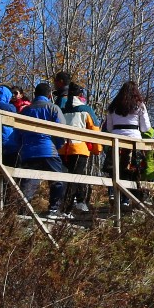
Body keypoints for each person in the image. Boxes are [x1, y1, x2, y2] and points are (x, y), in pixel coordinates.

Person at [16, 81, 61, 213]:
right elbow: (62, 131)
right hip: (48, 150)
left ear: (35, 94)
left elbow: (18, 131)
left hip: (28, 151)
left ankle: (21, 211)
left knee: (28, 182)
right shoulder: (53, 108)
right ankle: (54, 209)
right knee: (58, 180)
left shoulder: (25, 110)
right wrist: (57, 146)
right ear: (49, 95)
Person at [57, 82, 99, 213]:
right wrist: (97, 149)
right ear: (80, 95)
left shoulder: (61, 110)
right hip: (79, 148)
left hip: (63, 148)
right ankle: (67, 209)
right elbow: (95, 129)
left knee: (67, 178)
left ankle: (74, 204)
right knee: (75, 178)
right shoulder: (85, 110)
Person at [103, 80, 152, 182]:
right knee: (134, 173)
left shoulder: (113, 106)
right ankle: (129, 197)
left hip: (116, 141)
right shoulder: (140, 105)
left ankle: (115, 195)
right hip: (134, 142)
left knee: (115, 172)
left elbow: (109, 128)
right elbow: (145, 128)